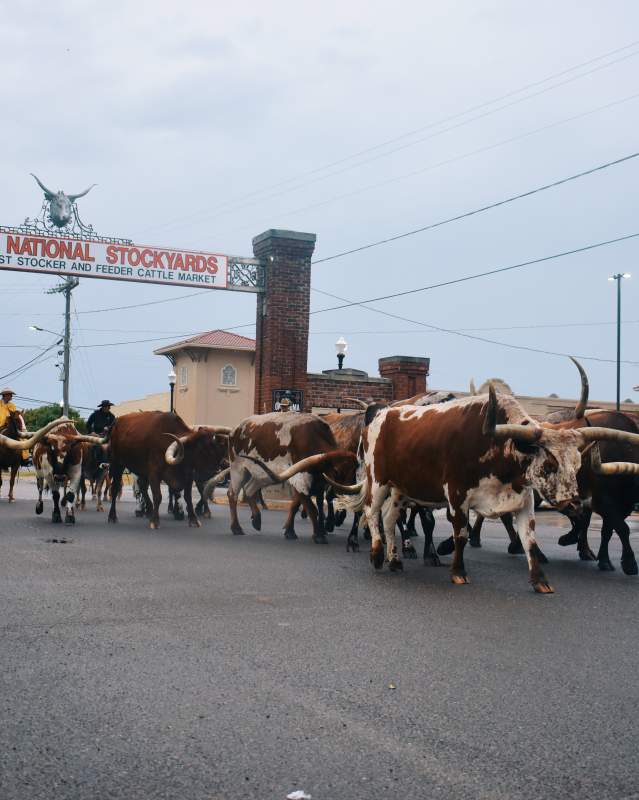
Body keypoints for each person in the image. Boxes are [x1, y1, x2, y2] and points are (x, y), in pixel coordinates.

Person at [0, 387, 29, 464]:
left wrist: (17, 416)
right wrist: (5, 420)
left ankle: (24, 457)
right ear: (5, 395)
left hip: (11, 426)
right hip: (1, 426)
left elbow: (16, 416)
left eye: (11, 395)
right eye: (10, 395)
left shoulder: (12, 405)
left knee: (23, 439)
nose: (11, 396)